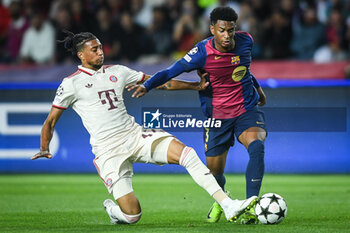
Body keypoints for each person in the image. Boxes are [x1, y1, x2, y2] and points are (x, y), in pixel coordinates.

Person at [30, 31, 257, 225]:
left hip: (134, 135)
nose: (100, 52)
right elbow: (50, 121)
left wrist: (194, 85)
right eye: (94, 49)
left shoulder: (117, 71)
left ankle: (227, 205)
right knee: (133, 216)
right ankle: (114, 211)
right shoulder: (71, 84)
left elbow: (159, 81)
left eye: (100, 48)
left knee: (186, 153)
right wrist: (43, 146)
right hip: (108, 150)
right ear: (81, 54)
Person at [128, 6, 267, 224]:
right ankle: (223, 201)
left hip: (246, 109)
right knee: (214, 173)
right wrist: (148, 85)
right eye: (222, 30)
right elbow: (169, 72)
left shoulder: (246, 40)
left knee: (257, 146)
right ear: (212, 29)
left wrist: (258, 91)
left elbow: (244, 69)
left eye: (231, 30)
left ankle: (251, 205)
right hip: (217, 116)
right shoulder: (201, 52)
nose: (227, 36)